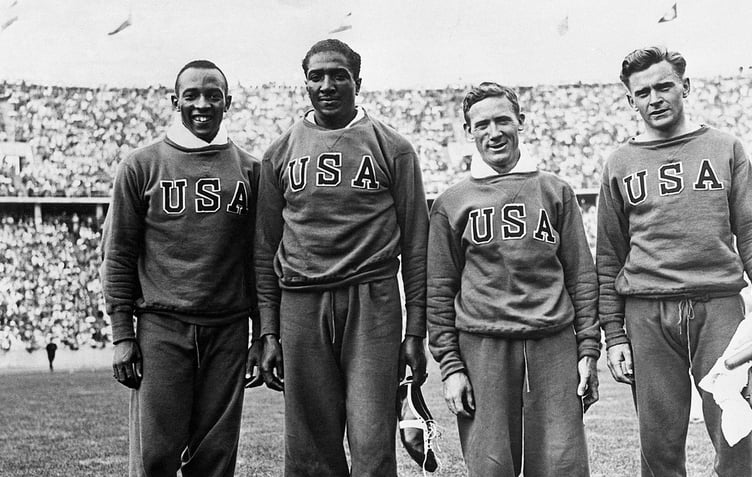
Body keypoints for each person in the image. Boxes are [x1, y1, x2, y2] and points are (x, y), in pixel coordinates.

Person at [596, 46, 752, 477]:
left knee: (736, 439)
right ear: (630, 100)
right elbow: (608, 258)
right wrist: (613, 334)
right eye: (642, 92)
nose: (654, 98)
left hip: (718, 308)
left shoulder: (724, 147)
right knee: (658, 449)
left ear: (685, 86)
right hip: (646, 312)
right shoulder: (619, 163)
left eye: (664, 86)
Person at [254, 39, 429, 476]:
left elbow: (417, 245)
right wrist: (269, 330)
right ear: (305, 84)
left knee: (372, 444)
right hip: (301, 301)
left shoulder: (394, 147)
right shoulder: (279, 153)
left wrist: (416, 332)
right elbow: (262, 250)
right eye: (316, 76)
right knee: (310, 451)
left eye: (339, 75)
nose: (327, 85)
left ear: (358, 82)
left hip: (372, 300)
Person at [427, 82, 600, 477]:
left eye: (503, 120)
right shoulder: (452, 202)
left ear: (520, 122)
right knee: (490, 468)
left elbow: (582, 277)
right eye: (482, 124)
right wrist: (451, 368)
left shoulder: (555, 191)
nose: (494, 132)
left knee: (562, 467)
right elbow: (439, 291)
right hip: (483, 346)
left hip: (552, 342)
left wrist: (588, 350)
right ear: (468, 131)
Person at [100, 60, 262, 477]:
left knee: (215, 459)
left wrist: (262, 333)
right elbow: (117, 254)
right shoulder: (141, 165)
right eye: (191, 95)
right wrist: (122, 333)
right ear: (175, 101)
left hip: (227, 329)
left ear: (229, 102)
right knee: (155, 457)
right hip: (162, 327)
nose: (202, 104)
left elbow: (258, 261)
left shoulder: (250, 170)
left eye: (213, 95)